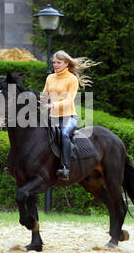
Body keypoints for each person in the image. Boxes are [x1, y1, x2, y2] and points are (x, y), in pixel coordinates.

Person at [41, 50, 98, 180]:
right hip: (52, 117)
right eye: (54, 62)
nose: (55, 65)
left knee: (64, 134)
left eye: (58, 62)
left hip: (68, 117)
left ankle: (65, 168)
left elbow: (69, 100)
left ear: (66, 64)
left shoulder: (72, 79)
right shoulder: (50, 77)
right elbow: (44, 95)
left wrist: (53, 105)